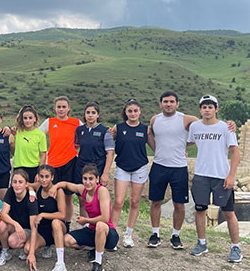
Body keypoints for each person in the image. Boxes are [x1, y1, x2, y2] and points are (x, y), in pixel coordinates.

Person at [147, 91, 236, 249]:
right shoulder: (155, 120)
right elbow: (151, 134)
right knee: (156, 201)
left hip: (181, 168)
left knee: (180, 204)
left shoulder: (189, 120)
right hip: (161, 166)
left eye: (172, 101)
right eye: (165, 101)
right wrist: (161, 149)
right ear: (160, 104)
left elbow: (232, 149)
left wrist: (231, 124)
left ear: (177, 104)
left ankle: (176, 235)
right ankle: (156, 234)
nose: (168, 104)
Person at [187, 95, 242, 263]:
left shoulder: (226, 127)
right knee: (200, 210)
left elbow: (235, 151)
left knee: (228, 212)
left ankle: (235, 247)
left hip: (221, 176)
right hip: (201, 175)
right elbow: (187, 141)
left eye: (210, 107)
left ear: (216, 109)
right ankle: (202, 243)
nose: (207, 110)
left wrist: (231, 175)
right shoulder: (195, 127)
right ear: (200, 110)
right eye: (204, 107)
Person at [55, 164, 119, 271]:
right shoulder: (82, 189)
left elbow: (105, 218)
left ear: (97, 179)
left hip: (108, 233)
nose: (88, 182)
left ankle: (98, 263)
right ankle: (94, 247)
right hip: (92, 230)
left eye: (91, 179)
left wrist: (86, 220)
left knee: (100, 225)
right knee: (66, 240)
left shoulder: (102, 191)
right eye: (85, 179)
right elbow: (67, 185)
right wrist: (55, 187)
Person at [111, 99, 153, 247]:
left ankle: (128, 234)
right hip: (122, 167)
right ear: (126, 112)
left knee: (135, 201)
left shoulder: (146, 129)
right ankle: (112, 235)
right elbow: (106, 142)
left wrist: (179, 150)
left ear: (140, 112)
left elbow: (157, 147)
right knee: (118, 202)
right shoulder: (118, 128)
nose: (133, 113)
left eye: (135, 111)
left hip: (139, 167)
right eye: (130, 111)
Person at [39, 96, 81, 231]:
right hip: (53, 164)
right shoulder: (49, 122)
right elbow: (36, 135)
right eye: (59, 107)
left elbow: (87, 133)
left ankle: (67, 224)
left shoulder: (76, 122)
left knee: (68, 196)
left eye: (64, 107)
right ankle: (52, 224)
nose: (61, 109)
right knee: (53, 195)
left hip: (70, 163)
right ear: (55, 108)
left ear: (68, 108)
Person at [74, 101, 115, 217]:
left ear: (98, 115)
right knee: (82, 199)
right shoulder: (79, 130)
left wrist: (105, 174)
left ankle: (97, 224)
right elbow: (76, 146)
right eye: (88, 112)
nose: (90, 115)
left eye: (93, 112)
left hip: (98, 168)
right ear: (84, 114)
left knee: (96, 199)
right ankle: (84, 224)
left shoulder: (105, 131)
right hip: (81, 167)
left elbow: (110, 153)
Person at [29, 165, 67, 271]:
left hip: (58, 227)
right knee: (27, 250)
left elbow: (62, 215)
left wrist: (43, 215)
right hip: (43, 230)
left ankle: (60, 263)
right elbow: (26, 185)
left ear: (52, 177)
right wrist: (31, 191)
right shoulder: (38, 186)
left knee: (55, 222)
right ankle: (47, 245)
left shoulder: (58, 191)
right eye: (41, 176)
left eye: (47, 176)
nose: (44, 179)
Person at [0, 169, 38, 268]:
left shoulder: (31, 199)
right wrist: (16, 224)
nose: (17, 185)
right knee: (2, 225)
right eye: (14, 182)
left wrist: (31, 253)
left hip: (27, 229)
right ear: (11, 183)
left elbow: (34, 228)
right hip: (16, 226)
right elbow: (3, 214)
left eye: (20, 182)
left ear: (26, 184)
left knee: (12, 241)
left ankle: (25, 246)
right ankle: (5, 251)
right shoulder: (11, 191)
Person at [13, 105, 47, 182]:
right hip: (19, 167)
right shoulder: (17, 132)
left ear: (35, 119)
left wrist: (40, 172)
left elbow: (43, 155)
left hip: (34, 168)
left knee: (32, 189)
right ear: (22, 119)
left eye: (30, 118)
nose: (28, 120)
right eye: (25, 118)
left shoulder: (40, 135)